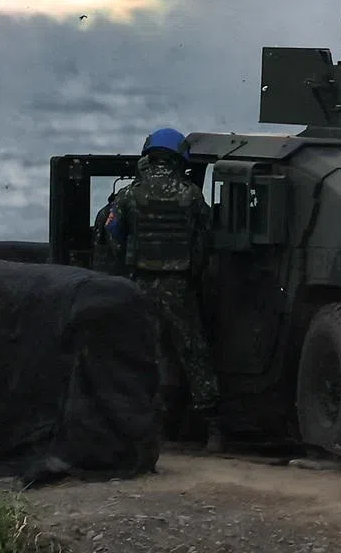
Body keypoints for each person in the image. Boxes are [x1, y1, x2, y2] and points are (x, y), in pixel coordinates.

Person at [98, 127, 224, 453]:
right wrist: (191, 274)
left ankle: (139, 426)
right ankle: (212, 429)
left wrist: (127, 266)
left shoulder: (128, 195)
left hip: (139, 285)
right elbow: (204, 242)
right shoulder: (191, 195)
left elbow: (111, 234)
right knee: (193, 353)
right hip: (178, 286)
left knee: (141, 354)